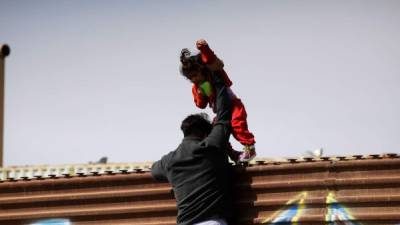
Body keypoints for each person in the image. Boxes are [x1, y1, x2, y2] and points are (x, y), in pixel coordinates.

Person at [151, 70, 234, 225]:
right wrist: (217, 77)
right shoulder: (211, 146)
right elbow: (224, 115)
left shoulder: (169, 161)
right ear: (205, 133)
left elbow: (154, 171)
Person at [179, 39, 256, 162]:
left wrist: (205, 49)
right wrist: (200, 94)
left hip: (233, 106)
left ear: (202, 69)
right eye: (190, 78)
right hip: (220, 112)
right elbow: (201, 105)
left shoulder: (213, 73)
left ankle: (250, 148)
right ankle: (232, 153)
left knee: (237, 126)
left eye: (195, 75)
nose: (194, 79)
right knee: (215, 132)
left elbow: (211, 60)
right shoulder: (197, 87)